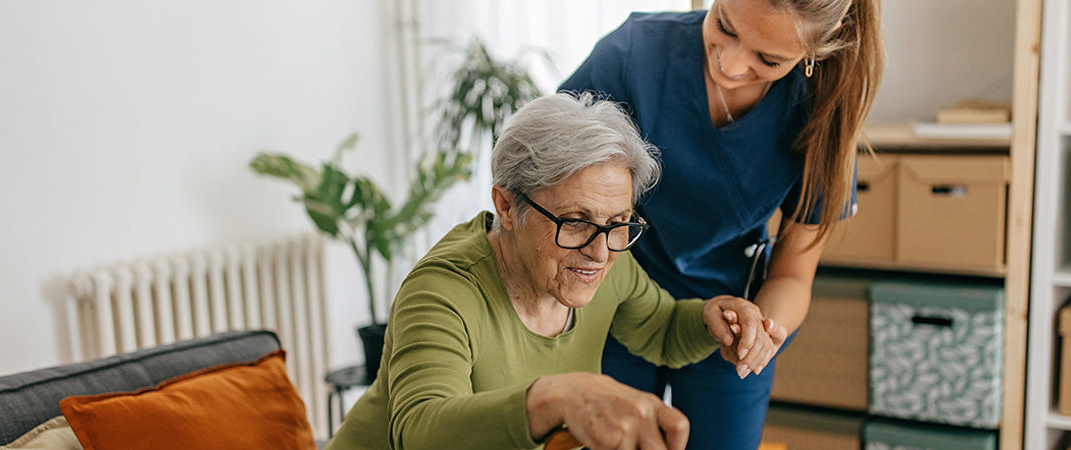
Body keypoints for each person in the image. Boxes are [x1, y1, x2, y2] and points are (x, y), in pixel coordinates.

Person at [325, 92, 781, 450]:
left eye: (619, 223)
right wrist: (555, 397)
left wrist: (711, 319)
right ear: (506, 205)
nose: (601, 252)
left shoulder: (603, 264)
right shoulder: (442, 293)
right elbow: (419, 432)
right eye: (576, 222)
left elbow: (659, 330)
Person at [558, 0, 884, 447]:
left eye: (768, 59)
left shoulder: (822, 116)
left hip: (731, 315)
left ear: (811, 53)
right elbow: (547, 180)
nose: (729, 65)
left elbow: (792, 275)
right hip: (615, 303)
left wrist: (761, 332)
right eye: (724, 25)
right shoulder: (635, 54)